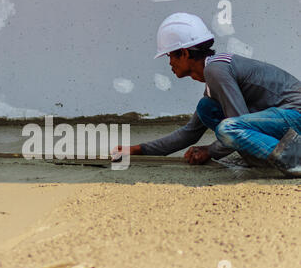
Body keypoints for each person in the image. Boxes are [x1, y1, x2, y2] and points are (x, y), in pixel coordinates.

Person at [112, 12, 301, 177]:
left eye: (170, 55)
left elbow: (236, 124)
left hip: (295, 116)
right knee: (206, 108)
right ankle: (278, 159)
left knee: (227, 129)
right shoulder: (213, 79)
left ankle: (295, 158)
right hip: (283, 122)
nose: (170, 63)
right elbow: (189, 134)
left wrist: (211, 151)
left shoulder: (216, 69)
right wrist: (138, 150)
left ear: (185, 53)